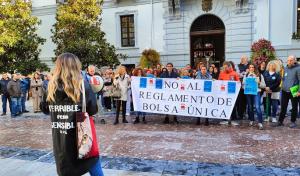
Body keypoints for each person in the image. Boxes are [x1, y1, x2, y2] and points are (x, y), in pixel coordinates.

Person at [42, 53, 104, 176]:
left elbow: (44, 109)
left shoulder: (51, 86)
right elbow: (93, 110)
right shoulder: (82, 85)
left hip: (61, 139)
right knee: (92, 163)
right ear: (76, 66)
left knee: (67, 169)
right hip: (82, 138)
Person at [275, 55, 300, 128]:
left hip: (294, 90)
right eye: (288, 60)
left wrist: (299, 91)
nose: (289, 62)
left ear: (294, 60)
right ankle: (280, 121)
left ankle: (293, 121)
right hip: (284, 90)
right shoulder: (285, 68)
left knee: (294, 107)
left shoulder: (298, 68)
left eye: (291, 60)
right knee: (283, 107)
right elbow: (283, 79)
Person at [243, 64, 266, 130]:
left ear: (255, 68)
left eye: (253, 67)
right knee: (250, 106)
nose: (251, 68)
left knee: (257, 106)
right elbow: (243, 84)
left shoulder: (259, 75)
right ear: (248, 68)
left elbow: (263, 85)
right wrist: (245, 84)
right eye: (250, 67)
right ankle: (251, 120)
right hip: (248, 93)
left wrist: (259, 83)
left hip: (256, 92)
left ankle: (260, 122)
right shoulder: (246, 75)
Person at [218, 61, 240, 125]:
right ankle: (225, 119)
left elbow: (238, 81)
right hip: (224, 93)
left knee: (232, 105)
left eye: (226, 67)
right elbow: (219, 81)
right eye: (224, 67)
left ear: (229, 67)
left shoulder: (234, 73)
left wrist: (238, 82)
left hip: (232, 93)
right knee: (224, 105)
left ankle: (233, 119)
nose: (225, 69)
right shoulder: (221, 73)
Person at [236, 56, 249, 120]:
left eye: (244, 59)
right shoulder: (238, 66)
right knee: (240, 100)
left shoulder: (250, 65)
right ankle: (240, 114)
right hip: (240, 85)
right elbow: (238, 74)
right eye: (242, 59)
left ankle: (245, 113)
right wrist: (245, 73)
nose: (243, 60)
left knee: (246, 100)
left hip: (248, 85)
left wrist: (244, 73)